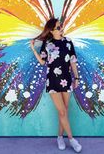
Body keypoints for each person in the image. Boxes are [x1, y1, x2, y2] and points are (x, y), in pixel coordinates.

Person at [30, 17, 82, 153]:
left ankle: (60, 137)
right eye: (58, 28)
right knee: (62, 111)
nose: (61, 29)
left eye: (61, 26)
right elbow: (42, 62)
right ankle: (71, 139)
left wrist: (76, 77)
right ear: (52, 31)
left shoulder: (68, 42)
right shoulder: (47, 44)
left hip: (66, 79)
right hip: (52, 81)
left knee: (64, 111)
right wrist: (33, 50)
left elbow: (72, 61)